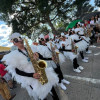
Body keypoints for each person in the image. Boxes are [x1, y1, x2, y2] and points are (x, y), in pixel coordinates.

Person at [2, 32, 59, 100]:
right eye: (16, 40)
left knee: (51, 89)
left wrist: (50, 58)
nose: (20, 40)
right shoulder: (14, 55)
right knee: (42, 95)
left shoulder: (31, 48)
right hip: (31, 78)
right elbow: (17, 71)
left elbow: (41, 57)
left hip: (41, 71)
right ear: (14, 43)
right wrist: (32, 75)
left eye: (20, 38)